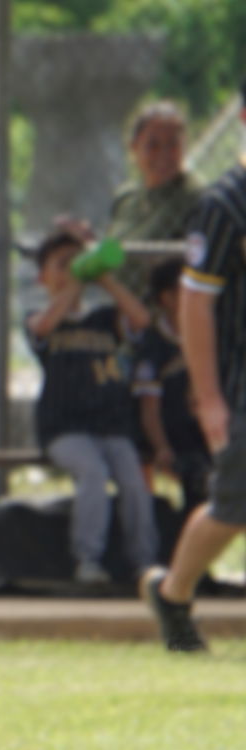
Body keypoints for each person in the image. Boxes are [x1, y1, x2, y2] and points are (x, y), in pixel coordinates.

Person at [143, 81, 246, 652]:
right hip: (241, 378)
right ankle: (175, 591)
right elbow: (197, 304)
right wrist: (209, 398)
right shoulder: (226, 204)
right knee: (236, 505)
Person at [27, 227, 157, 585]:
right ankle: (88, 560)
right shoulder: (39, 318)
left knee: (134, 482)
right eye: (62, 264)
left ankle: (144, 562)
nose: (72, 269)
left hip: (112, 425)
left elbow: (141, 319)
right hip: (64, 427)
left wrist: (105, 278)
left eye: (76, 261)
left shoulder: (103, 319)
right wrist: (74, 284)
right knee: (93, 474)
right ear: (42, 277)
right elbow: (44, 327)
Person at [132, 257, 212, 519]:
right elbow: (149, 409)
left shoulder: (210, 332)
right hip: (174, 438)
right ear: (167, 298)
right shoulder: (153, 346)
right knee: (198, 481)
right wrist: (162, 447)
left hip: (207, 432)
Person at [106, 100, 203, 295]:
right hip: (123, 309)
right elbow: (112, 255)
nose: (164, 154)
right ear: (134, 147)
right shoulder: (126, 198)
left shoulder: (195, 197)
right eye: (153, 145)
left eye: (173, 144)